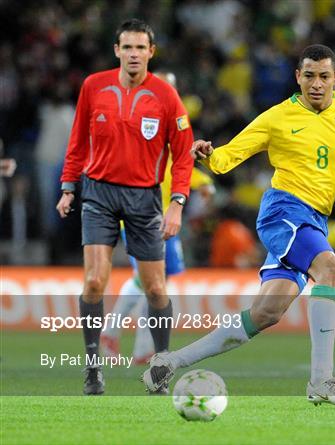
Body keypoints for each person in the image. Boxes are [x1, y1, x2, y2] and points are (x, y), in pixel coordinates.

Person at [143, 44, 335, 405]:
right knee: (330, 268)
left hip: (314, 219)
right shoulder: (276, 118)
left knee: (265, 313)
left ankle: (169, 361)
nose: (316, 84)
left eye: (323, 76)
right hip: (283, 211)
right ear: (297, 78)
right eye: (309, 76)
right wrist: (210, 155)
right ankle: (322, 381)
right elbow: (231, 155)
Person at [56, 20, 194, 395]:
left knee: (155, 288)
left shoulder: (166, 96)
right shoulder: (93, 86)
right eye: (127, 47)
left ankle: (161, 369)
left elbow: (183, 155)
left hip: (144, 197)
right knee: (94, 281)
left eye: (140, 48)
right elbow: (77, 141)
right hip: (98, 193)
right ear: (117, 50)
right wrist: (69, 187)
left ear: (151, 52)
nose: (134, 54)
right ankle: (93, 369)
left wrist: (177, 203)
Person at [101, 71, 214, 364]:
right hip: (140, 215)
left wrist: (200, 183)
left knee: (156, 283)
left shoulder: (171, 121)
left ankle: (140, 348)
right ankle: (112, 331)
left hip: (163, 217)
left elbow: (177, 161)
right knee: (149, 281)